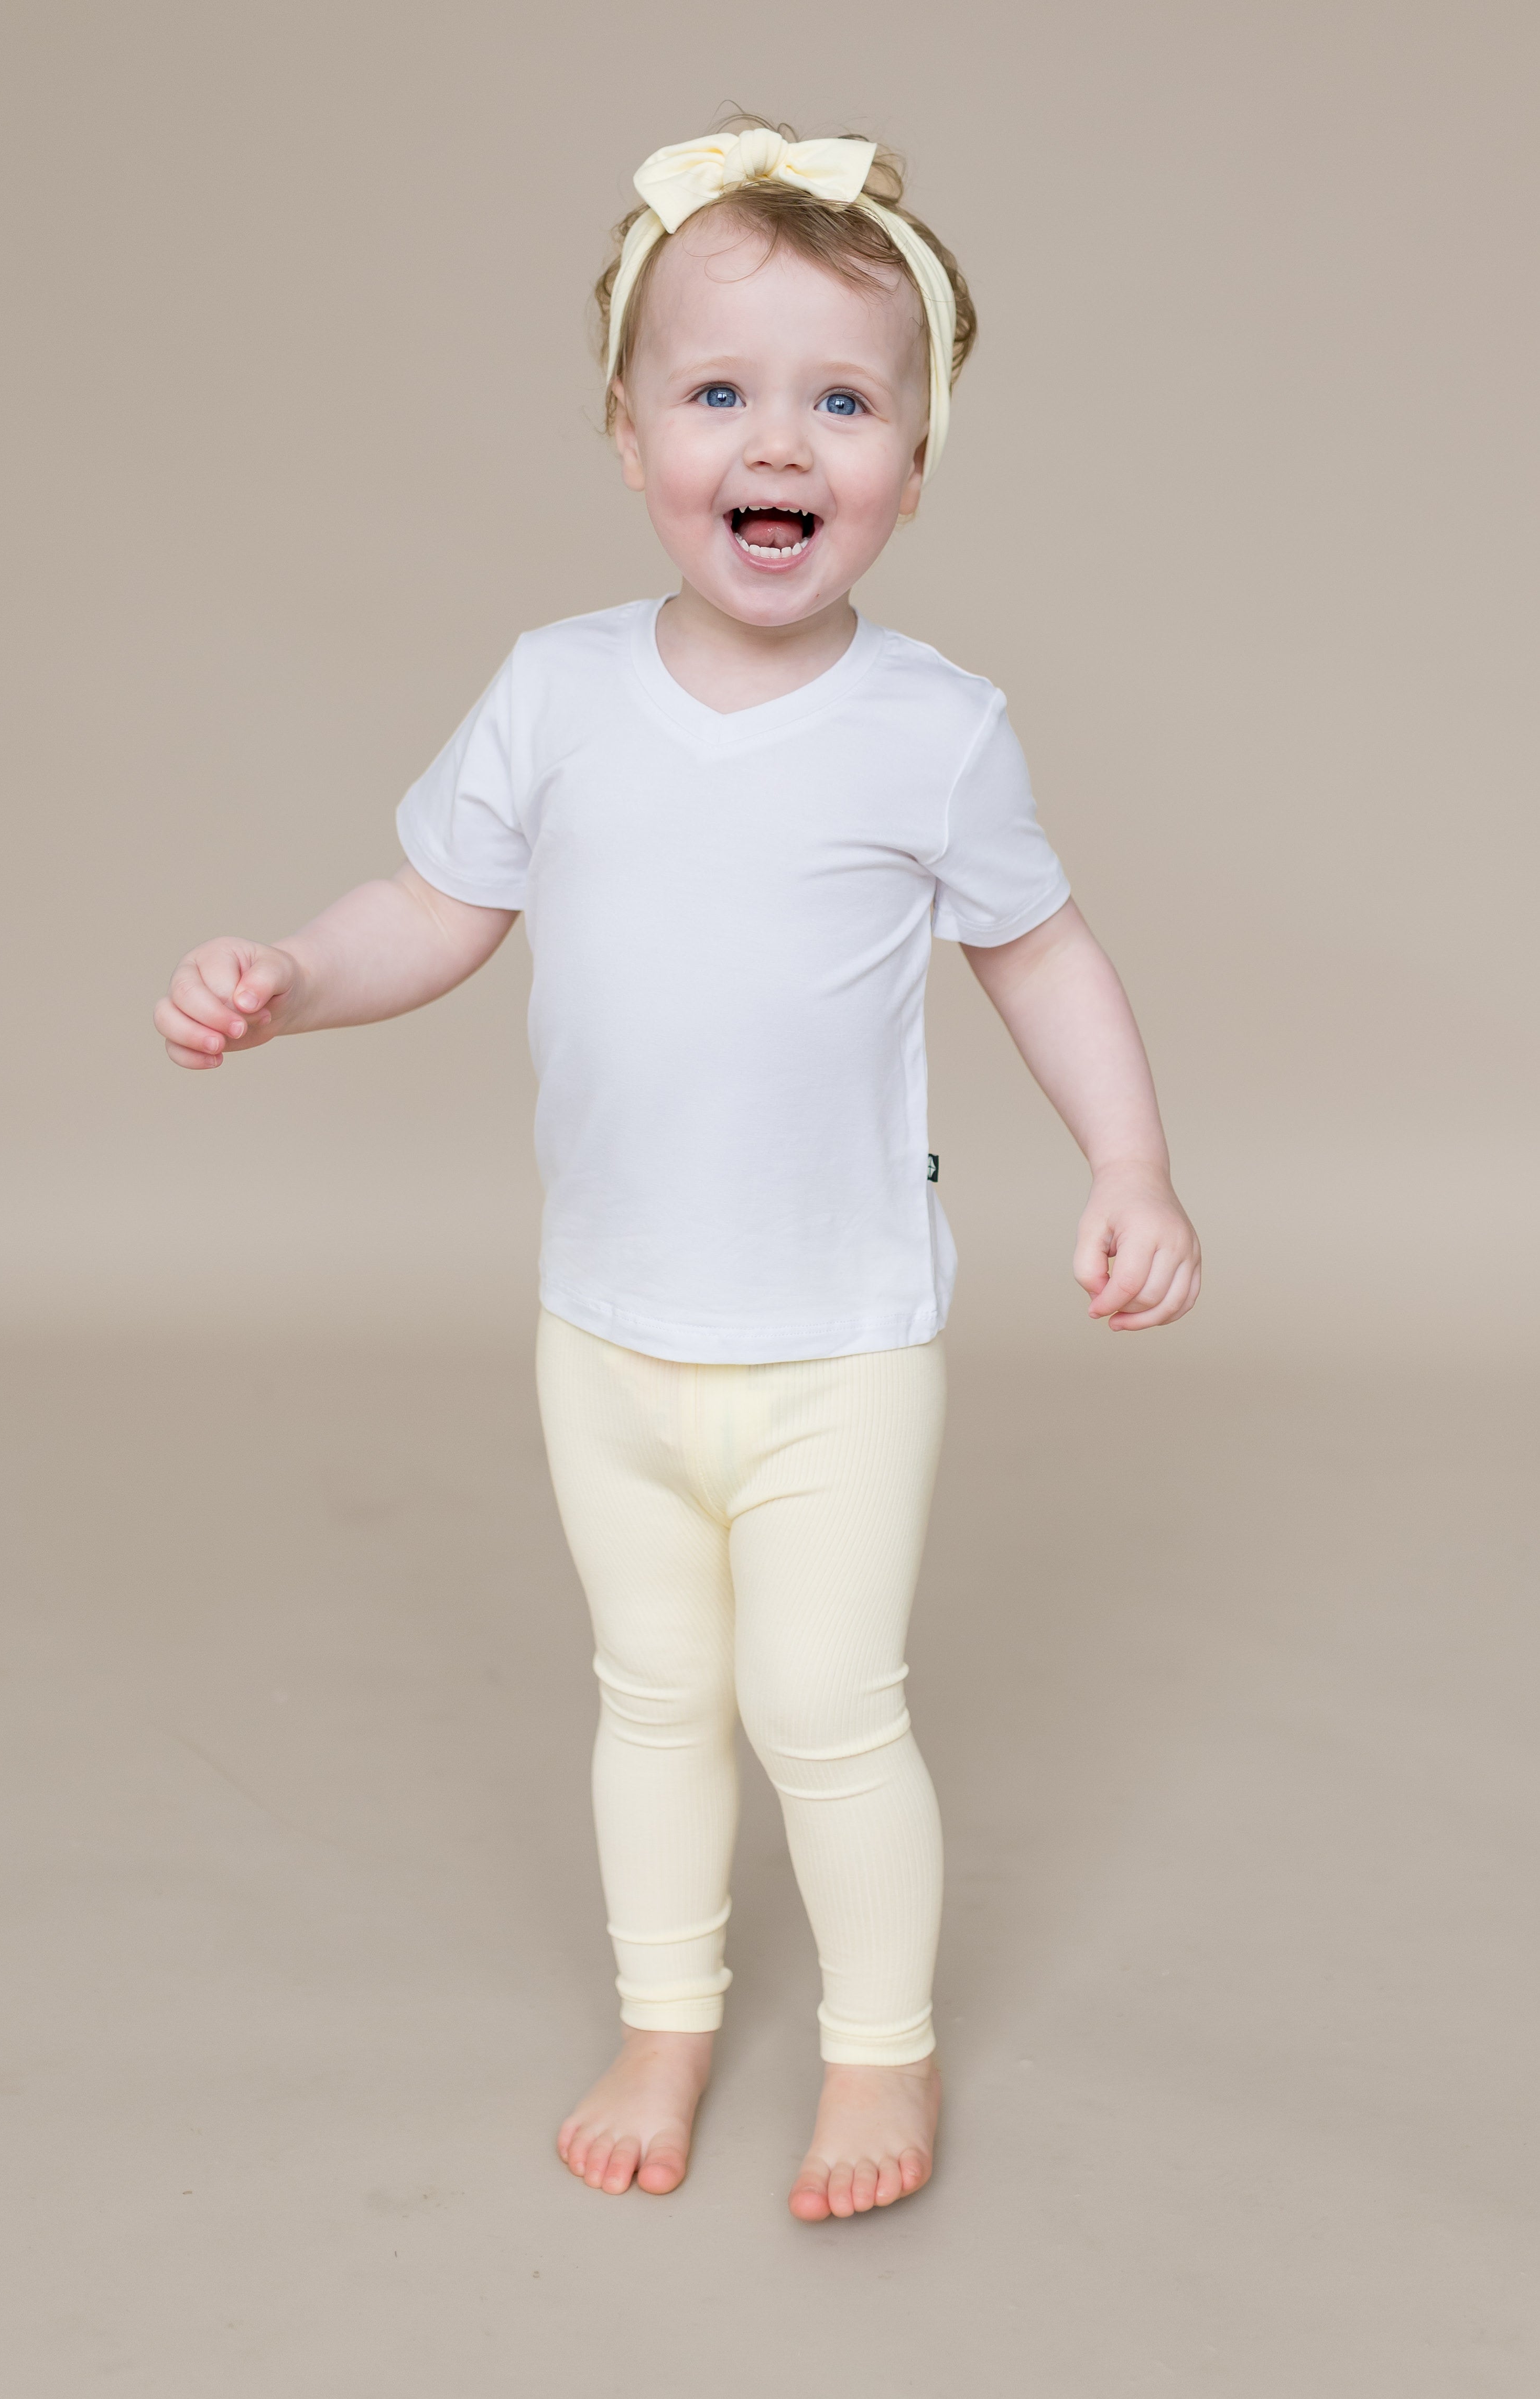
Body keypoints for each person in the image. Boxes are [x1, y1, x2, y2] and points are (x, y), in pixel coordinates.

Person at [154, 118, 1200, 2222]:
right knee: (652, 1691)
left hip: (835, 1337)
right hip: (608, 1326)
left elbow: (1040, 947)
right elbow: (432, 910)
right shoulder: (555, 694)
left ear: (914, 453)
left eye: (843, 397)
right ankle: (667, 2007)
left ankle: (880, 2052)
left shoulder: (933, 726)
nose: (777, 438)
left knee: (824, 1700)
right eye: (718, 390)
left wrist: (1133, 1154)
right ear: (631, 435)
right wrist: (293, 972)